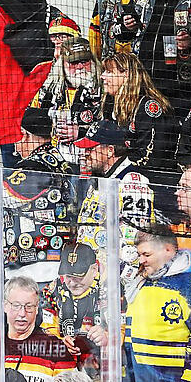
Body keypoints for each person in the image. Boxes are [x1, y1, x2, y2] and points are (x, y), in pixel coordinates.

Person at [123, 226, 191, 382]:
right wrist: (127, 381)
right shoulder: (141, 283)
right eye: (139, 255)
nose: (141, 260)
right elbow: (129, 337)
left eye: (146, 255)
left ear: (168, 250)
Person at [73, 119, 156, 288]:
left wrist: (115, 283)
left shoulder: (132, 181)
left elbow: (134, 240)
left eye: (91, 149)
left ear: (110, 150)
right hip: (94, 275)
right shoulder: (103, 178)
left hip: (116, 283)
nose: (85, 154)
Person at [0, 276, 76, 382]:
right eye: (16, 305)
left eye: (29, 306)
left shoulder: (56, 347)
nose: (22, 313)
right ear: (5, 306)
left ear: (37, 308)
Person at [2, 107, 76, 284]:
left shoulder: (35, 166)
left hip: (36, 268)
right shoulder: (58, 160)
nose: (14, 146)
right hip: (55, 261)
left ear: (24, 135)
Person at [99, 51, 177, 176]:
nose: (102, 76)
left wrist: (118, 172)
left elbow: (150, 155)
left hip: (153, 177)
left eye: (109, 72)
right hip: (123, 173)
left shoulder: (148, 107)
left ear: (126, 75)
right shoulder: (110, 103)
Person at [31, 36, 103, 163]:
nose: (80, 67)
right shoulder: (50, 89)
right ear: (62, 64)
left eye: (85, 61)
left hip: (92, 160)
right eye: (74, 63)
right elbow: (31, 120)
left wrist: (81, 131)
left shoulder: (105, 89)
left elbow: (115, 129)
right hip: (56, 158)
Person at [40, 243, 107, 360]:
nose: (72, 282)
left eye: (78, 276)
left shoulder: (110, 290)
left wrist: (107, 336)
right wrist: (60, 342)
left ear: (94, 269)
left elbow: (122, 331)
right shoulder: (53, 290)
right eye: (68, 276)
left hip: (99, 360)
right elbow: (48, 328)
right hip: (64, 361)